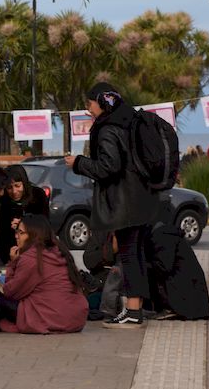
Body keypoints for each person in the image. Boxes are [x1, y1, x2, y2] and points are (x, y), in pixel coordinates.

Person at [64, 82, 165, 329]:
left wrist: (79, 163)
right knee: (136, 254)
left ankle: (132, 312)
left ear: (103, 102)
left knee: (129, 256)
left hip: (124, 204)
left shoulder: (109, 129)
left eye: (90, 104)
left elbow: (108, 167)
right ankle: (135, 309)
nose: (88, 110)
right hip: (141, 200)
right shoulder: (128, 122)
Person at [0, 214, 88, 334]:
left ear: (34, 235)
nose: (16, 236)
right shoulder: (60, 250)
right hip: (76, 318)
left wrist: (13, 262)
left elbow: (11, 292)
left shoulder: (31, 258)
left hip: (52, 318)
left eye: (21, 233)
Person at [145, 219, 209, 321]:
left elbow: (163, 267)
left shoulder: (161, 237)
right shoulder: (165, 234)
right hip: (192, 298)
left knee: (145, 270)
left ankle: (169, 309)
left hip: (185, 300)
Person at [0, 164, 50, 263]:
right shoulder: (3, 200)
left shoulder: (38, 195)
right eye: (9, 188)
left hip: (36, 250)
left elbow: (45, 225)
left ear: (24, 183)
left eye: (17, 186)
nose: (14, 191)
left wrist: (24, 224)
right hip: (9, 252)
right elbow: (1, 232)